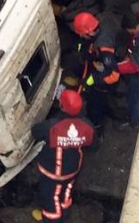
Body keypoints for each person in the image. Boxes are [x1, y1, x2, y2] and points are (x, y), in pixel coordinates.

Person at [30, 89, 95, 222]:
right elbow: (94, 146)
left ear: (62, 106)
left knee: (50, 198)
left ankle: (51, 219)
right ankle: (64, 214)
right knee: (66, 193)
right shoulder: (87, 126)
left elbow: (35, 131)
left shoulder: (52, 126)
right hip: (73, 169)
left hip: (53, 173)